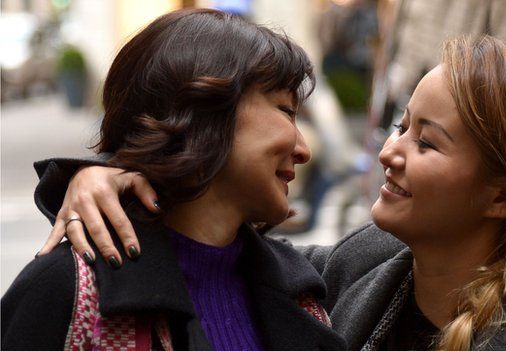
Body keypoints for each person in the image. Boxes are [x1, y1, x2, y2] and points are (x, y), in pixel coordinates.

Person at [19, 36, 506, 350]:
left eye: (426, 144)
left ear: (503, 196)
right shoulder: (341, 271)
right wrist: (99, 174)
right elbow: (206, 250)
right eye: (399, 125)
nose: (388, 152)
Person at [1, 8, 347, 351]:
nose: (303, 149)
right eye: (286, 111)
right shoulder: (69, 288)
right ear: (205, 111)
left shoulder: (301, 291)